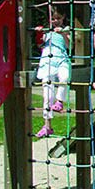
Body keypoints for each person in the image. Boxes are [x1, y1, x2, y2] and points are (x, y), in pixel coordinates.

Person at [35, 7, 71, 138]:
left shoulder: (66, 29)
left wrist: (63, 34)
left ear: (63, 17)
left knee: (65, 77)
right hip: (48, 61)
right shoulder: (47, 31)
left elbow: (69, 46)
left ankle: (60, 101)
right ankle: (47, 125)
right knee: (47, 94)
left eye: (58, 18)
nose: (56, 21)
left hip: (61, 60)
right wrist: (39, 34)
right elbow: (39, 45)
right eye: (53, 19)